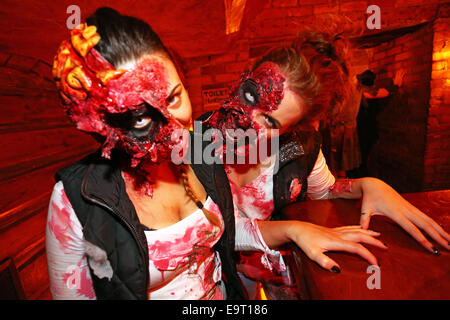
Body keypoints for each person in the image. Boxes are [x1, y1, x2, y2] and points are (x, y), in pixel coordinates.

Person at [200, 28, 450, 298]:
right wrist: (291, 230)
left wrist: (368, 186)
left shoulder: (299, 147)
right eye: (251, 96)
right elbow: (207, 229)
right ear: (245, 76)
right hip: (219, 278)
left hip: (276, 275)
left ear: (291, 130)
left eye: (271, 122)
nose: (248, 120)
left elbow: (326, 192)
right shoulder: (194, 141)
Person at [46, 7, 248, 300]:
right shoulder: (76, 199)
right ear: (103, 125)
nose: (174, 127)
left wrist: (294, 231)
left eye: (175, 97)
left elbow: (220, 231)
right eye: (141, 118)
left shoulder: (202, 149)